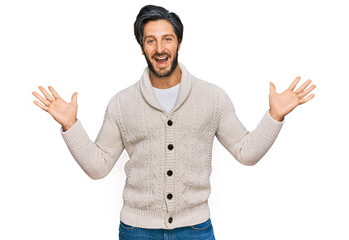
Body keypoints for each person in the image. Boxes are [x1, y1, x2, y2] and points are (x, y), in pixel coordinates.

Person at [32, 5, 316, 240]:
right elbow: (98, 166)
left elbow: (246, 152)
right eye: (150, 40)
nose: (159, 48)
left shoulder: (213, 97)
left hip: (196, 229)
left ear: (178, 42)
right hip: (137, 231)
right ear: (141, 47)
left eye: (167, 38)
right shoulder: (121, 103)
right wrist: (71, 126)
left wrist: (275, 116)